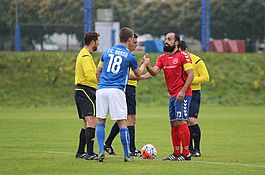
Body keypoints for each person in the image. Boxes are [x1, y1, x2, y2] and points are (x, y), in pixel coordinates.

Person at [96, 27, 149, 162]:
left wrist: (101, 84)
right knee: (122, 122)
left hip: (101, 89)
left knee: (101, 121)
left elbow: (98, 71)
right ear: (130, 39)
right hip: (116, 90)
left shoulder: (107, 52)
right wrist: (145, 64)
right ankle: (127, 155)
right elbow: (138, 73)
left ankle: (101, 151)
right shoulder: (129, 56)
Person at [145, 32, 194, 161]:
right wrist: (147, 65)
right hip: (172, 96)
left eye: (169, 39)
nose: (166, 41)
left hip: (183, 95)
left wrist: (183, 91)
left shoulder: (183, 56)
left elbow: (191, 74)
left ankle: (187, 153)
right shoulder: (162, 58)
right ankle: (176, 153)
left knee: (182, 121)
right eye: (165, 39)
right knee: (173, 124)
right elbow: (154, 72)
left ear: (176, 42)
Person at [104, 33, 142, 157]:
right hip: (127, 88)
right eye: (134, 42)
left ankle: (108, 143)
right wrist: (144, 72)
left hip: (129, 88)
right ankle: (131, 149)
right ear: (129, 41)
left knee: (123, 119)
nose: (135, 45)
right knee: (130, 119)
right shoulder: (127, 56)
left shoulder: (129, 56)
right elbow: (129, 75)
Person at [179, 41, 209, 157]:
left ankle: (197, 149)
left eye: (181, 52)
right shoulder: (179, 61)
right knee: (183, 121)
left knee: (192, 120)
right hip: (182, 93)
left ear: (186, 49)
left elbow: (205, 77)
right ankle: (188, 149)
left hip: (194, 93)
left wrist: (189, 81)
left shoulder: (197, 61)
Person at [74, 31, 100, 160]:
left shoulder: (86, 55)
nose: (99, 44)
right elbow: (90, 76)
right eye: (98, 41)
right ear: (93, 42)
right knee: (92, 121)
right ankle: (90, 153)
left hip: (83, 91)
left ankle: (80, 152)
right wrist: (104, 81)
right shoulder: (85, 56)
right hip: (85, 90)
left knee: (86, 123)